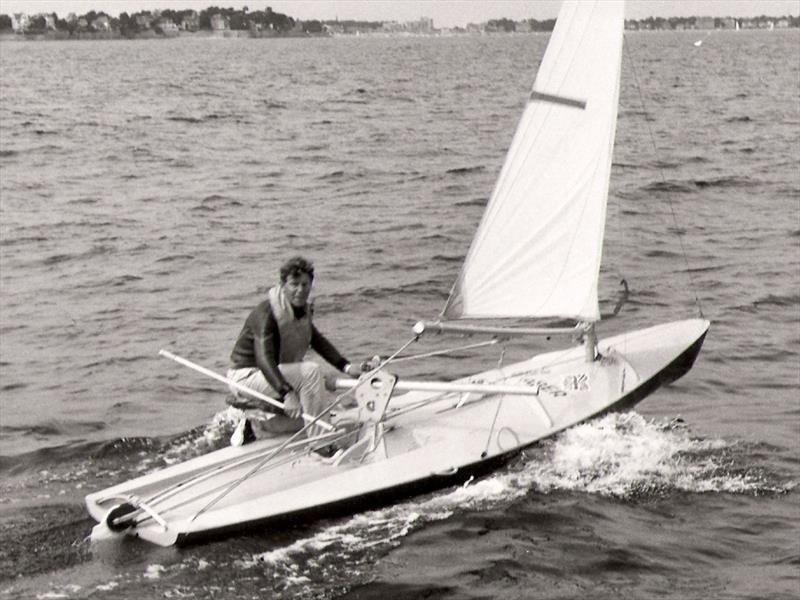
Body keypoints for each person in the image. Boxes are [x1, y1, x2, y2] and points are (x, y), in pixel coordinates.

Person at [227, 256, 362, 441]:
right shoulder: (266, 313)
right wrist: (287, 393)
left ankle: (259, 426)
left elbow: (317, 340)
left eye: (305, 284)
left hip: (273, 374)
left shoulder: (301, 312)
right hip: (247, 377)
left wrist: (346, 367)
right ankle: (319, 443)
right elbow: (263, 359)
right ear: (283, 285)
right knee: (311, 372)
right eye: (294, 284)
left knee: (325, 406)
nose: (300, 290)